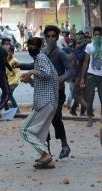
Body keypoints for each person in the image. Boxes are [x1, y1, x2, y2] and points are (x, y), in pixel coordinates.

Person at [17, 25, 74, 159]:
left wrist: (61, 78)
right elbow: (36, 66)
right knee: (44, 121)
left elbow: (70, 70)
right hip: (45, 90)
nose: (50, 39)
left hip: (57, 91)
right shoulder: (43, 53)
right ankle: (45, 151)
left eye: (53, 36)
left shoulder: (60, 53)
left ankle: (64, 145)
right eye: (48, 36)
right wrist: (22, 67)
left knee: (55, 118)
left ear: (57, 37)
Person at [20, 37, 59, 169]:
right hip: (49, 101)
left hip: (45, 101)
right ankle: (48, 160)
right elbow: (41, 81)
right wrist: (29, 80)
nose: (31, 48)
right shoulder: (39, 59)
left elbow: (46, 73)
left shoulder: (41, 57)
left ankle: (45, 155)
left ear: (40, 46)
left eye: (34, 45)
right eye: (29, 45)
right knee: (40, 134)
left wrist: (30, 71)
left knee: (25, 130)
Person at [80, 26, 102, 127]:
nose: (97, 36)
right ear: (93, 35)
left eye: (99, 34)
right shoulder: (89, 46)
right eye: (96, 34)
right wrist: (82, 78)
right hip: (91, 75)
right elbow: (85, 62)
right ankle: (90, 118)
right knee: (90, 98)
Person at [69, 32, 88, 116]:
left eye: (78, 41)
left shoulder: (84, 47)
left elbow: (80, 58)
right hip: (80, 73)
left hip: (83, 74)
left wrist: (77, 49)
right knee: (81, 93)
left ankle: (88, 109)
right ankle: (82, 112)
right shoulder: (83, 47)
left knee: (75, 93)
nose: (78, 43)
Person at [6, 45, 21, 112]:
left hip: (13, 82)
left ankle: (17, 110)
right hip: (6, 82)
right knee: (6, 96)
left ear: (12, 52)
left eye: (10, 52)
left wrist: (16, 81)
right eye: (8, 51)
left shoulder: (14, 61)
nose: (9, 53)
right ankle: (7, 110)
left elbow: (18, 72)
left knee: (9, 96)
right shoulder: (5, 60)